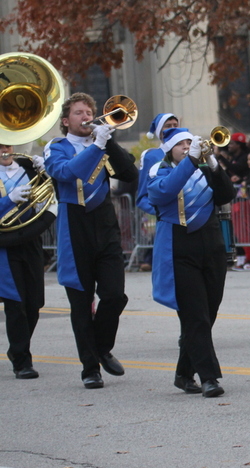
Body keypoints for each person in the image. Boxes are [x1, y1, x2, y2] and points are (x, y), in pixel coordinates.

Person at [44, 92, 138, 389]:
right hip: (75, 228)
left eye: (89, 112)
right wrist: (96, 146)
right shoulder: (56, 147)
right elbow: (65, 172)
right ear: (66, 121)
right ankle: (90, 368)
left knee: (114, 295)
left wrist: (107, 140)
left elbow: (130, 173)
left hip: (105, 225)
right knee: (81, 302)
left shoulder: (104, 144)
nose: (86, 117)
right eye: (78, 113)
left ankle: (102, 346)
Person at [147, 128, 235, 397]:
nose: (187, 146)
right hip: (179, 246)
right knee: (195, 314)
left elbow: (226, 195)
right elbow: (163, 192)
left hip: (212, 243)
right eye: (181, 144)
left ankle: (184, 373)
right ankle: (209, 377)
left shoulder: (205, 170)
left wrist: (212, 163)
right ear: (170, 149)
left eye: (190, 142)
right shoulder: (159, 170)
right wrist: (190, 161)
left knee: (209, 312)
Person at [0, 147, 57, 379]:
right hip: (6, 244)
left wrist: (48, 172)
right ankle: (22, 361)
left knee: (34, 303)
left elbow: (52, 192)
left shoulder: (29, 170)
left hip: (31, 240)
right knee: (17, 305)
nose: (5, 150)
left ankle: (16, 350)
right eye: (0, 145)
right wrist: (8, 200)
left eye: (8, 145)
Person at [137, 113, 180, 272]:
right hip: (165, 218)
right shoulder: (152, 155)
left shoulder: (190, 152)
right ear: (159, 131)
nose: (173, 129)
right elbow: (142, 194)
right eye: (168, 126)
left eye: (175, 125)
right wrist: (159, 211)